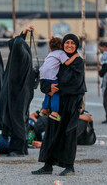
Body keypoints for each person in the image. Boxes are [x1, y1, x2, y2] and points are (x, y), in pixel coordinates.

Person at [32, 33, 87, 176]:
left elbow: (75, 83)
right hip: (56, 104)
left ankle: (69, 166)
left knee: (68, 134)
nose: (69, 45)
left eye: (72, 43)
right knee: (51, 133)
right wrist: (48, 89)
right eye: (67, 42)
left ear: (76, 45)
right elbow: (45, 78)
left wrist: (57, 87)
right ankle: (47, 165)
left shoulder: (77, 62)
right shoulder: (56, 58)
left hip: (70, 104)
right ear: (63, 44)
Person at [0, 25, 35, 157]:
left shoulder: (21, 56)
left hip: (19, 94)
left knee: (17, 120)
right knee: (20, 119)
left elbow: (16, 44)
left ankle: (18, 148)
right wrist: (22, 35)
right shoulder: (23, 56)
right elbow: (15, 44)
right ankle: (21, 148)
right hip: (21, 93)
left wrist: (22, 34)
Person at [39, 37, 79, 121]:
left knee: (49, 92)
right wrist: (75, 56)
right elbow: (67, 62)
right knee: (56, 93)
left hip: (43, 75)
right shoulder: (60, 53)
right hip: (51, 76)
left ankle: (45, 109)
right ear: (61, 45)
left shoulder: (51, 53)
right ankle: (54, 112)